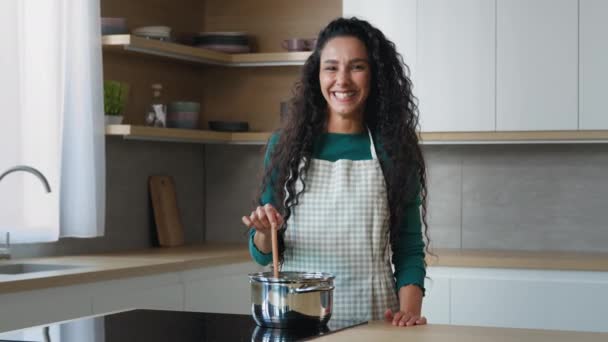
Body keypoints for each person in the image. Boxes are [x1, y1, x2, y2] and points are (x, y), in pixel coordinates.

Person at [242, 17, 430, 327]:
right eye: (331, 67)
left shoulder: (393, 149)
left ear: (375, 75)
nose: (342, 80)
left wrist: (409, 314)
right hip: (299, 320)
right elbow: (263, 255)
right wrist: (265, 232)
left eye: (357, 67)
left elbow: (409, 248)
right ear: (317, 75)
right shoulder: (285, 146)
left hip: (373, 321)